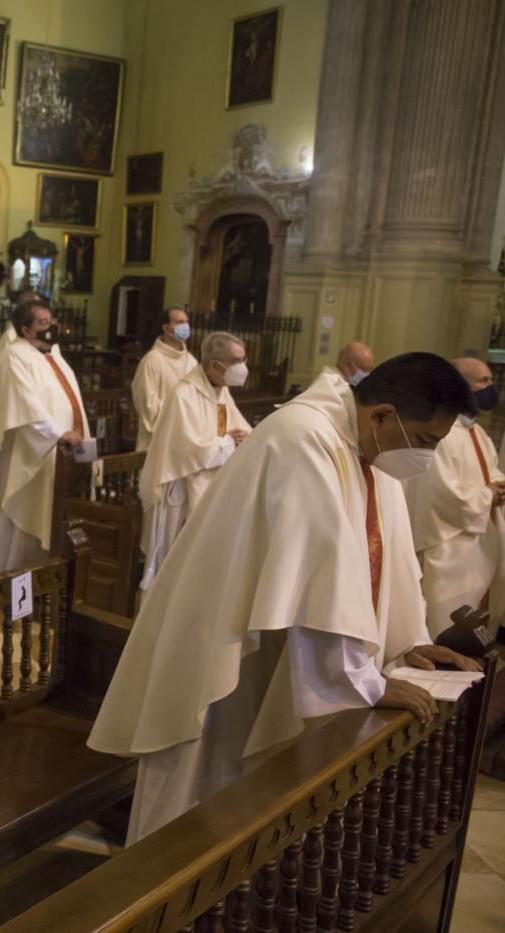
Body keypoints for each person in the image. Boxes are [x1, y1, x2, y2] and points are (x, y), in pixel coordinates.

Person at [89, 352, 483, 842]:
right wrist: (365, 683)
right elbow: (324, 576)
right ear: (382, 414)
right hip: (230, 653)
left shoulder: (366, 446)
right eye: (424, 441)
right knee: (194, 804)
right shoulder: (303, 438)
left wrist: (409, 640)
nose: (426, 456)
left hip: (282, 649)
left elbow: (385, 551)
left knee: (245, 816)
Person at [0, 297, 91, 570]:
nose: (51, 327)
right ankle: (8, 581)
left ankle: (43, 581)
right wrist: (57, 434)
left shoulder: (52, 355)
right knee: (22, 519)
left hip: (58, 455)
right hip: (28, 455)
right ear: (27, 330)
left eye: (51, 321)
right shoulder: (14, 355)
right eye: (43, 323)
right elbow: (26, 407)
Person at [138, 332, 253, 588]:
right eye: (236, 361)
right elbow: (187, 451)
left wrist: (246, 438)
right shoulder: (184, 394)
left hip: (213, 487)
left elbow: (239, 429)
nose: (242, 367)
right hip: (180, 495)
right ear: (215, 365)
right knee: (175, 569)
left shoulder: (220, 391)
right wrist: (229, 443)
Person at [405, 357, 505, 636]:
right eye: (483, 381)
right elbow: (441, 492)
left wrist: (497, 486)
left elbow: (491, 470)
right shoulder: (441, 434)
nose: (491, 387)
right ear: (460, 386)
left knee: (478, 628)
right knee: (447, 627)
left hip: (480, 541)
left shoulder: (478, 432)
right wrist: (489, 496)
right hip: (450, 545)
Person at [131, 306, 198, 451]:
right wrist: (181, 418)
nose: (185, 326)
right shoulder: (151, 361)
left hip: (186, 441)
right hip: (158, 442)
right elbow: (148, 405)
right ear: (167, 329)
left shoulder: (192, 362)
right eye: (180, 322)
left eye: (187, 322)